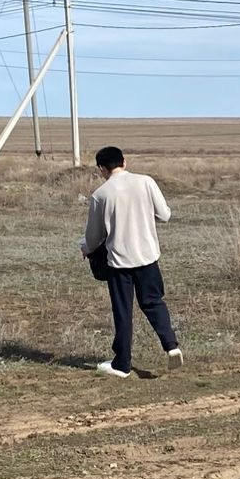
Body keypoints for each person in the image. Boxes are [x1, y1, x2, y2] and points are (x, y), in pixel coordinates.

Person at [82, 145, 182, 377]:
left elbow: (93, 236)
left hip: (119, 262)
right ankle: (171, 346)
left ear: (101, 169)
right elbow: (164, 215)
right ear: (124, 162)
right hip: (147, 256)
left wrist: (86, 248)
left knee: (123, 311)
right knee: (154, 302)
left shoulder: (100, 195)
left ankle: (122, 364)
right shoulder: (146, 182)